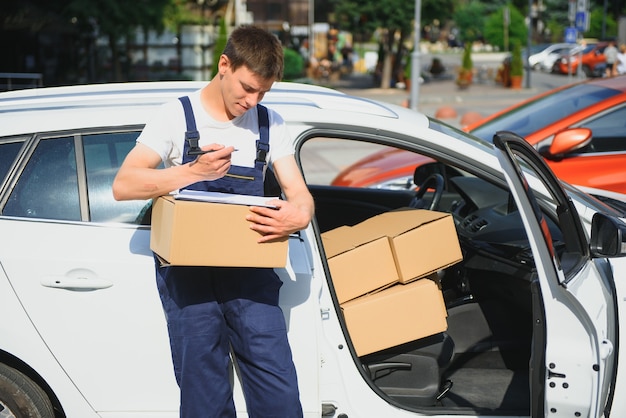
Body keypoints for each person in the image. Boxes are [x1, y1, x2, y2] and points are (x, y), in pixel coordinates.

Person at [112, 25, 314, 418]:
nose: (252, 101)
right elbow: (124, 184)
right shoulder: (176, 115)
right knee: (205, 397)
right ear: (224, 64)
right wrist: (192, 171)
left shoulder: (271, 123)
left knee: (280, 395)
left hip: (250, 273)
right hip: (189, 276)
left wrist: (300, 215)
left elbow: (300, 193)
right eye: (246, 88)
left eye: (263, 93)